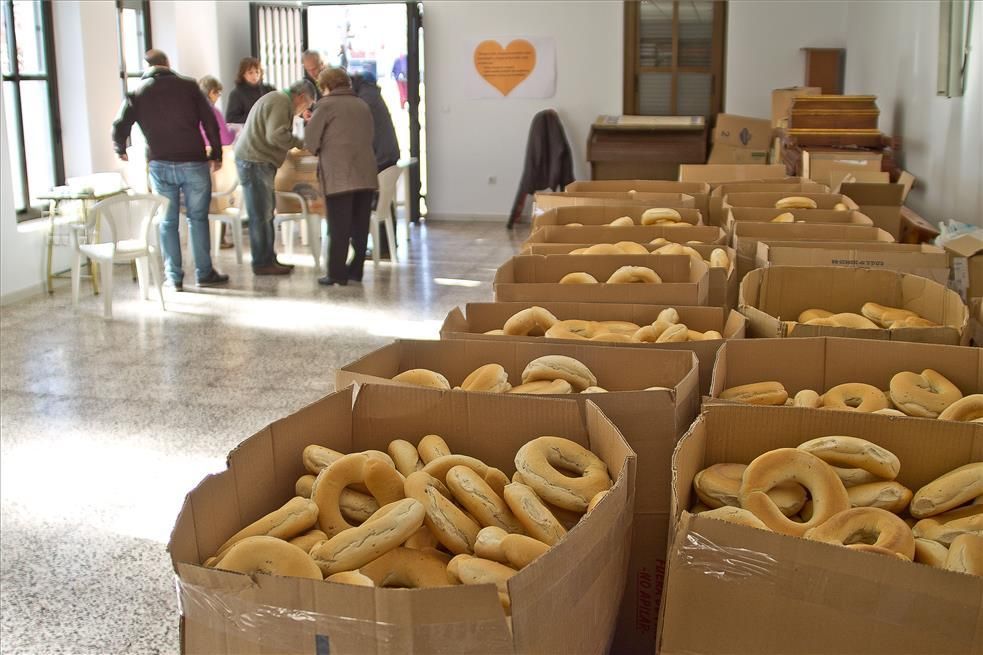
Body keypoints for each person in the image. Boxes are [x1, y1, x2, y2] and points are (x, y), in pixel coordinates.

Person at [112, 49, 228, 290]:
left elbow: (120, 123)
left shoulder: (137, 91)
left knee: (167, 222)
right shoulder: (189, 86)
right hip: (193, 162)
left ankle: (174, 277)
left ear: (147, 67)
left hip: (160, 163)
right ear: (167, 63)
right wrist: (216, 153)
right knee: (198, 218)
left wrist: (119, 147)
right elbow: (209, 121)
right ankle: (204, 273)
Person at [305, 67, 377, 287]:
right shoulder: (362, 104)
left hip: (339, 175)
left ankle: (336, 273)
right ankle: (356, 270)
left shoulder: (325, 106)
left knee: (339, 226)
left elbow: (311, 143)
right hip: (365, 173)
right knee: (359, 225)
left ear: (326, 86)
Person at [234, 79, 316, 275]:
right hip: (255, 161)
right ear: (301, 97)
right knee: (261, 215)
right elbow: (276, 135)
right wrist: (300, 142)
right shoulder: (280, 102)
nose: (304, 110)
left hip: (255, 160)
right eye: (307, 104)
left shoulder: (278, 99)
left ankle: (268, 258)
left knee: (266, 213)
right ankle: (262, 263)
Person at [198, 75, 236, 249]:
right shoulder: (214, 112)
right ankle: (220, 239)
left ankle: (207, 241)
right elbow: (225, 138)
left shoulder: (194, 110)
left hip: (199, 160)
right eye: (217, 93)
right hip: (217, 160)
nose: (217, 97)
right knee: (222, 201)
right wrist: (235, 132)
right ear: (212, 92)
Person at [225, 57, 275, 124]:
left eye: (257, 72)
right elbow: (231, 119)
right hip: (248, 130)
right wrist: (255, 118)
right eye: (250, 73)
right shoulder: (236, 94)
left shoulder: (269, 89)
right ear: (243, 74)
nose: (255, 75)